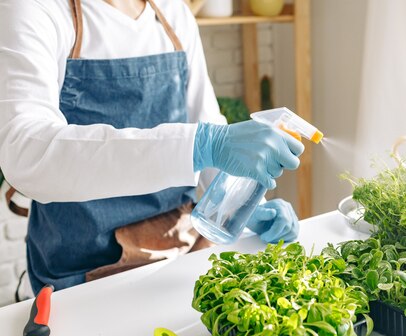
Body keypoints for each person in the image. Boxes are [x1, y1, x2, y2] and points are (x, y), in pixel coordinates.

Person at [0, 0, 304, 295]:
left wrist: (238, 206)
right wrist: (199, 144)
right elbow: (27, 150)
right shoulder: (36, 9)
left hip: (179, 251)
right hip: (84, 269)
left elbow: (207, 122)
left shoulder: (174, 14)